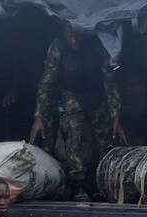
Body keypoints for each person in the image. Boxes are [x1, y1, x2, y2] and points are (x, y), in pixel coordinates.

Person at [29, 23, 126, 201]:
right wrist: (39, 116)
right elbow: (46, 83)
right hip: (71, 94)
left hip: (96, 95)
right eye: (70, 37)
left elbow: (110, 83)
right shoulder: (57, 47)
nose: (74, 40)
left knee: (106, 140)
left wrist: (115, 116)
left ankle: (103, 181)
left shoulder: (98, 46)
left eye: (78, 36)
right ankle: (78, 184)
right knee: (73, 134)